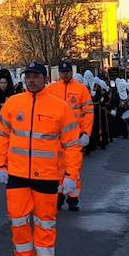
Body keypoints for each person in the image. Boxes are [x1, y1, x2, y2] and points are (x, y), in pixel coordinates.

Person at [0, 61, 83, 256]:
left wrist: (71, 175)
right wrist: (0, 166)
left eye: (35, 76)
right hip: (17, 174)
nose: (31, 80)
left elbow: (72, 144)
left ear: (44, 78)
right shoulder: (13, 103)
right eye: (28, 76)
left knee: (45, 223)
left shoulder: (60, 107)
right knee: (18, 221)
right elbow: (0, 136)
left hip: (47, 176)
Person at [44, 61, 93, 211]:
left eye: (67, 72)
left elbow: (89, 112)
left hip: (74, 135)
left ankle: (73, 197)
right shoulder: (51, 89)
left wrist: (86, 133)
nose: (65, 74)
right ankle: (58, 195)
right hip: (56, 135)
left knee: (74, 166)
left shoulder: (81, 89)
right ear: (59, 73)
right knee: (57, 166)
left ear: (71, 72)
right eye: (63, 72)